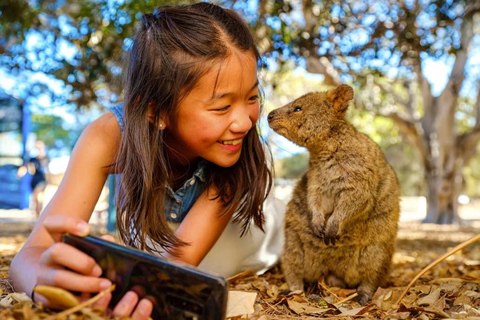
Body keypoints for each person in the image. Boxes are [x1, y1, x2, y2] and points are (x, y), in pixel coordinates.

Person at [9, 3, 284, 319]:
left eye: (251, 97)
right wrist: (43, 283)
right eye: (221, 108)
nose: (245, 123)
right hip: (164, 234)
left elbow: (176, 265)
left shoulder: (238, 150)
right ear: (156, 112)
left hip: (256, 231)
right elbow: (27, 257)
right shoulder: (107, 136)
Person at [17, 140, 49, 217]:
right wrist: (20, 172)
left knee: (37, 195)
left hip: (42, 180)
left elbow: (48, 171)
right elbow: (25, 167)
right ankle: (37, 215)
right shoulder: (32, 159)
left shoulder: (45, 158)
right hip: (34, 180)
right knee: (36, 198)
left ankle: (39, 215)